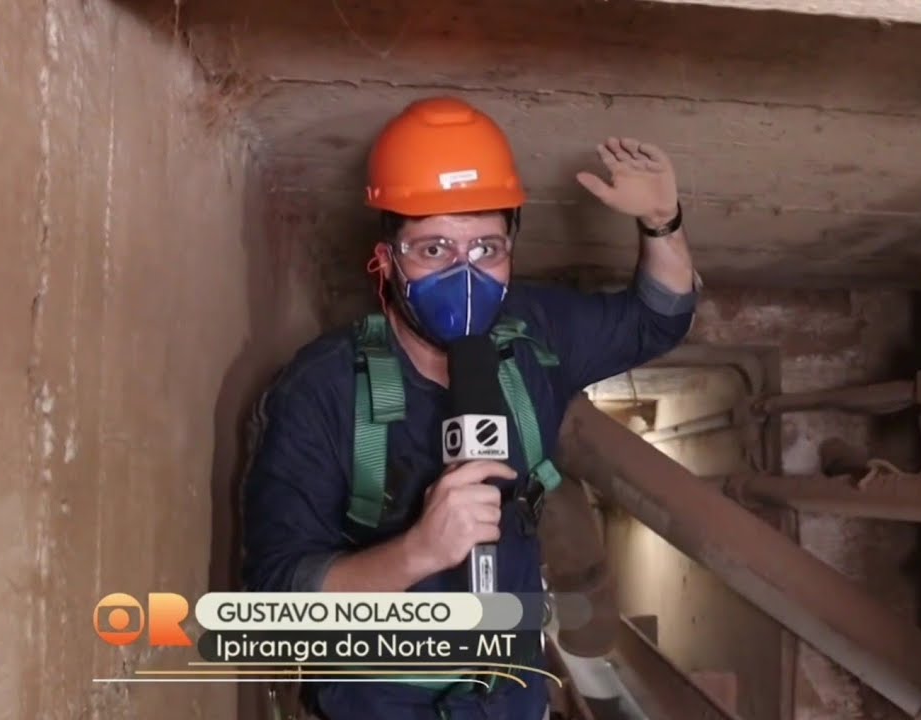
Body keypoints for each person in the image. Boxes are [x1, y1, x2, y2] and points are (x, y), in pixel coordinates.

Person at [240, 96, 698, 720]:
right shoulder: (324, 391)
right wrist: (418, 551)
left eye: (486, 249)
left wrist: (662, 222)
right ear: (386, 261)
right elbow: (274, 609)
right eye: (433, 250)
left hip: (512, 697)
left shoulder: (533, 335)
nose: (465, 276)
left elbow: (656, 320)